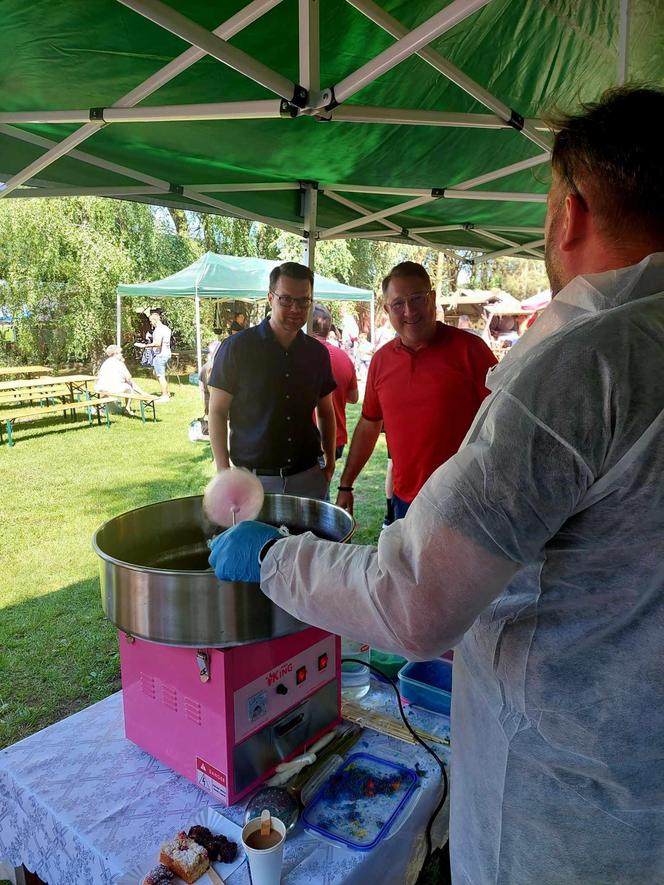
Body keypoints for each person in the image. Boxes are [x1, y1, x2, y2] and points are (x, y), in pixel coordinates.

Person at [210, 86, 664, 882]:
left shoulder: (582, 362)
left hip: (561, 809)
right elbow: (371, 429)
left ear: (571, 211)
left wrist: (277, 559)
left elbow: (412, 600)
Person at [337, 261, 497, 519]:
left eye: (417, 299)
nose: (409, 311)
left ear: (432, 299)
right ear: (388, 310)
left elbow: (505, 419)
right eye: (398, 304)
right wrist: (346, 483)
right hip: (406, 502)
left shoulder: (471, 351)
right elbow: (369, 424)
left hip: (465, 499)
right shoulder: (381, 361)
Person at [207, 261, 337, 499]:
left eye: (303, 301)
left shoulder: (317, 354)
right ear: (270, 298)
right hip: (253, 480)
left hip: (308, 477)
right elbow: (216, 412)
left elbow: (326, 411)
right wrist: (223, 472)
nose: (295, 309)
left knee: (310, 538)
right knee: (257, 538)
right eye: (286, 299)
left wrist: (330, 460)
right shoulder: (237, 349)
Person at [312, 303, 358, 461]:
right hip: (336, 439)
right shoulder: (344, 357)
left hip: (310, 439)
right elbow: (353, 398)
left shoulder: (302, 355)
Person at [95, 344, 147, 414]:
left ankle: (99, 405)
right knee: (129, 387)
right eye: (120, 353)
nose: (122, 354)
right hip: (113, 387)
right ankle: (127, 408)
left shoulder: (105, 362)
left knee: (127, 384)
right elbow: (129, 377)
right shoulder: (119, 363)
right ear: (116, 354)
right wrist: (123, 363)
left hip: (101, 387)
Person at [136, 309, 172, 402]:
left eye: (151, 321)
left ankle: (165, 396)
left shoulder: (159, 330)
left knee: (160, 375)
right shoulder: (166, 328)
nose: (151, 323)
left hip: (160, 355)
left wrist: (144, 345)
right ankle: (166, 392)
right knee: (156, 373)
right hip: (166, 353)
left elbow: (157, 343)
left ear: (155, 320)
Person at [198, 339, 221, 436]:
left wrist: (206, 406)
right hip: (218, 405)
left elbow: (202, 390)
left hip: (211, 404)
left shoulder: (205, 367)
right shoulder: (217, 367)